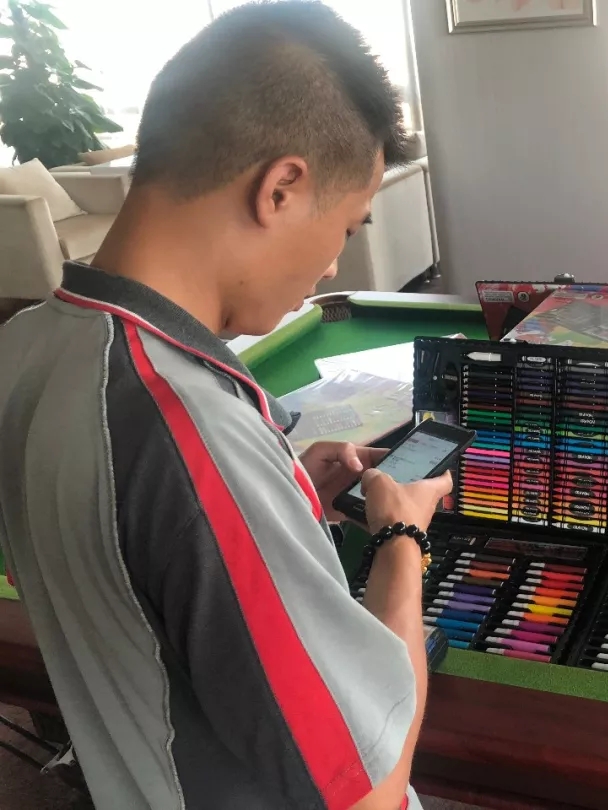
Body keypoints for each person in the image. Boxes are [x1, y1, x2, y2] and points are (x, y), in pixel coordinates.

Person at [0, 3, 449, 809]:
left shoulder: (24, 345)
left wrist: (276, 487)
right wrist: (401, 540)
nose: (332, 264)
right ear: (281, 188)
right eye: (348, 226)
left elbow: (119, 548)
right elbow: (370, 795)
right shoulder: (185, 430)